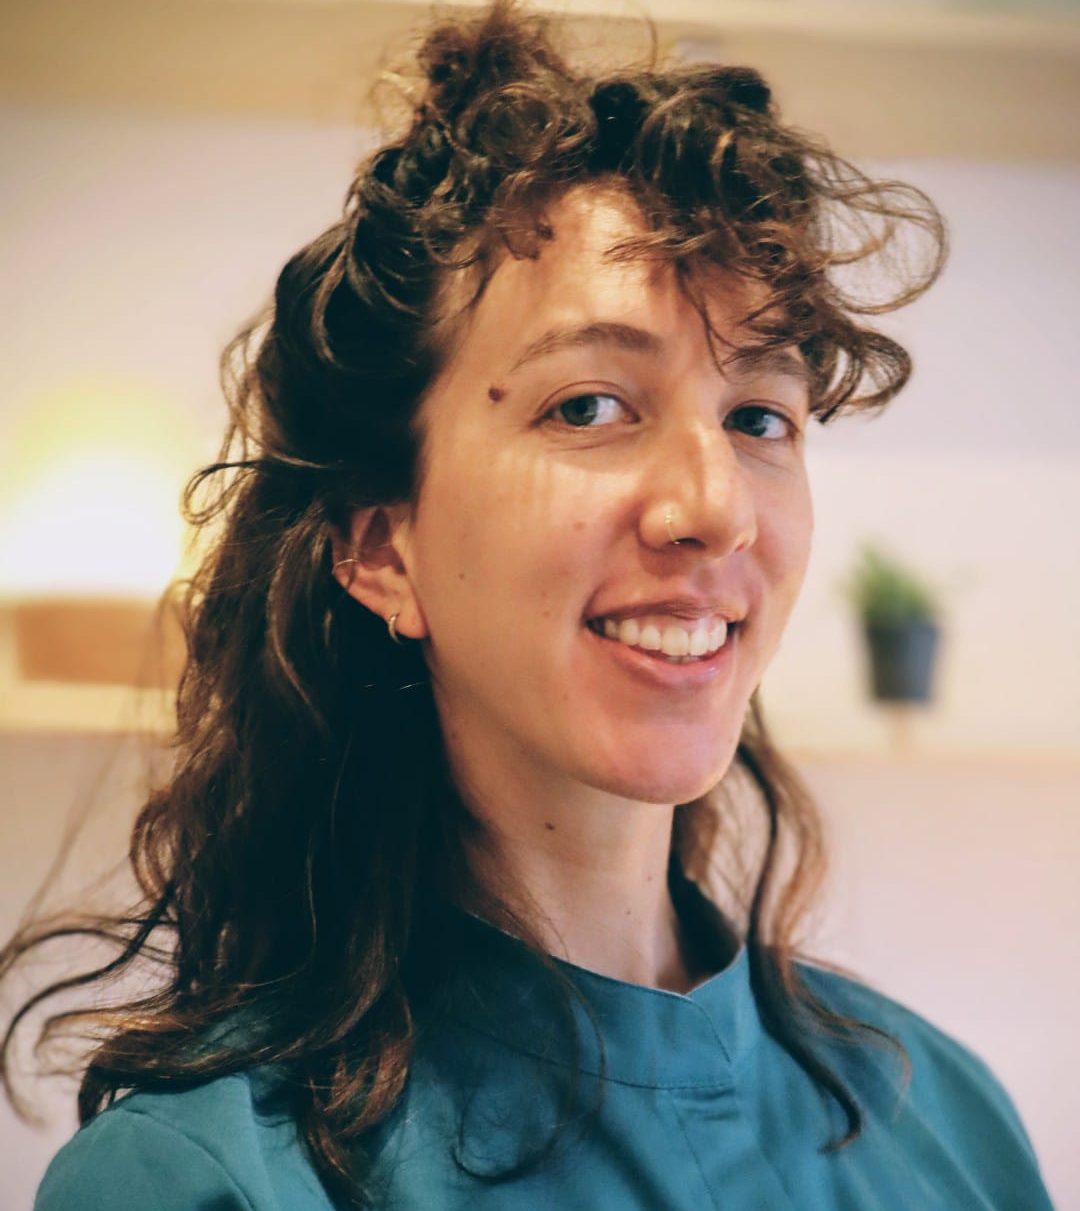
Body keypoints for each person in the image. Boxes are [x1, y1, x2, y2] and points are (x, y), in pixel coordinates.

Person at [1, 2, 1055, 1208]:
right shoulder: (208, 1176)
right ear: (381, 545)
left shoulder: (949, 1124)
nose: (715, 508)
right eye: (589, 406)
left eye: (759, 416)